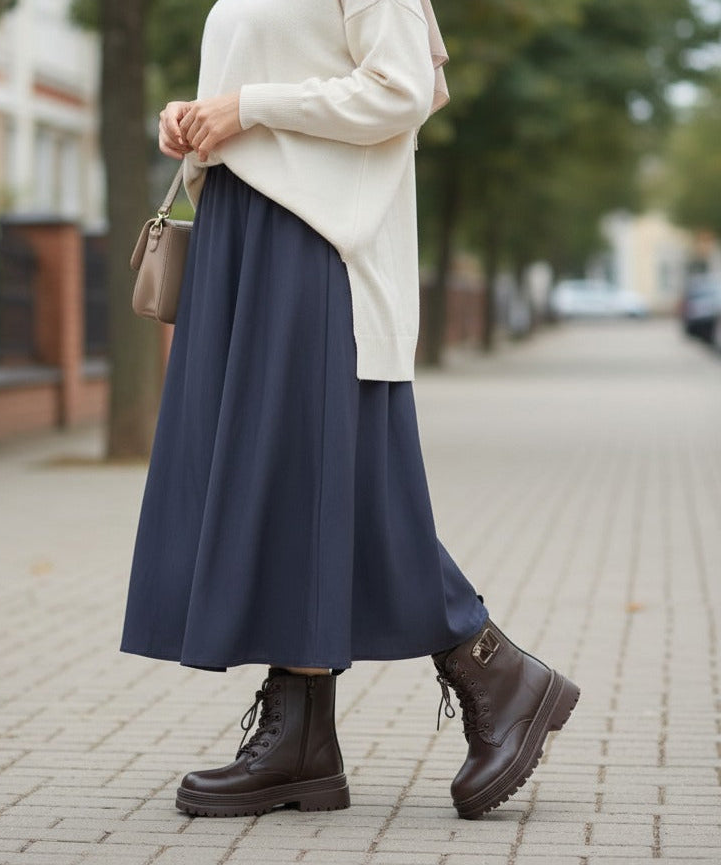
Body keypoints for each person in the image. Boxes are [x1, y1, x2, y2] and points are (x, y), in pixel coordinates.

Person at [120, 0, 579, 821]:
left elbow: (401, 92)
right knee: (292, 480)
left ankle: (492, 672)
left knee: (318, 472)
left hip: (314, 246)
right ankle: (315, 735)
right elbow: (261, 86)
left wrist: (246, 105)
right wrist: (193, 121)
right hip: (242, 229)